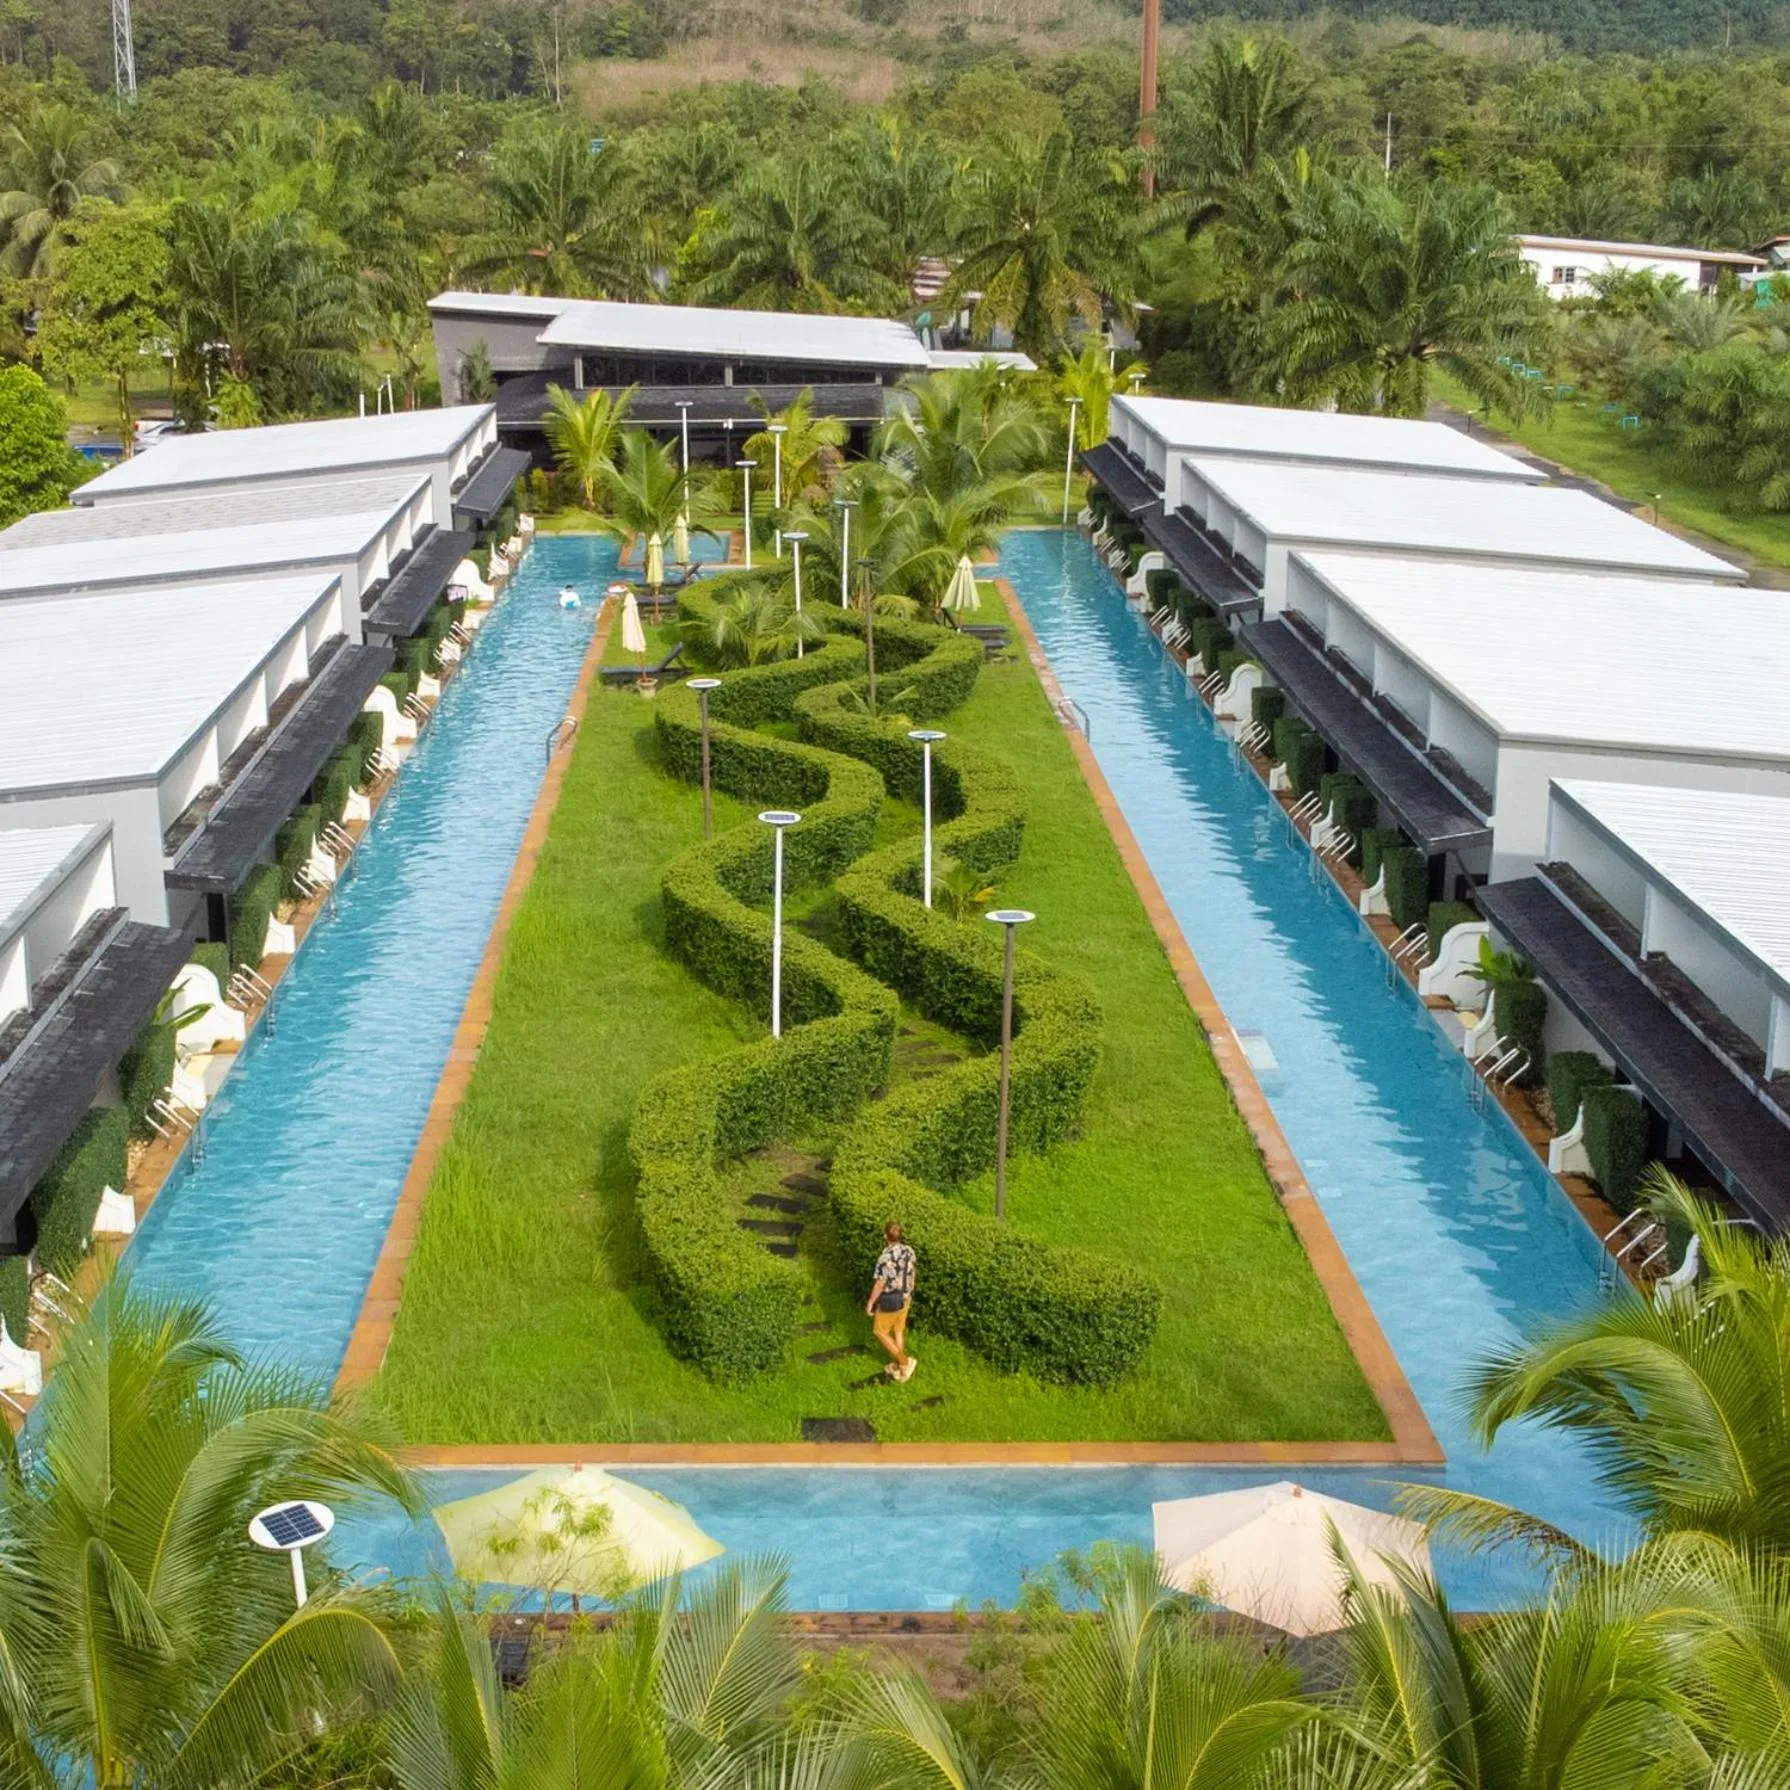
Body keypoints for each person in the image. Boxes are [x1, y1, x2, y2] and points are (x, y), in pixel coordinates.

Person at [866, 1221, 917, 1382]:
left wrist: (871, 1302)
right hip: (905, 1297)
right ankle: (900, 1368)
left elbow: (880, 1283)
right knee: (898, 1330)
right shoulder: (910, 1251)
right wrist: (909, 1291)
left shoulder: (884, 1258)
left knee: (879, 1331)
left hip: (891, 1301)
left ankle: (904, 1361)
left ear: (885, 1237)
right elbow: (912, 1272)